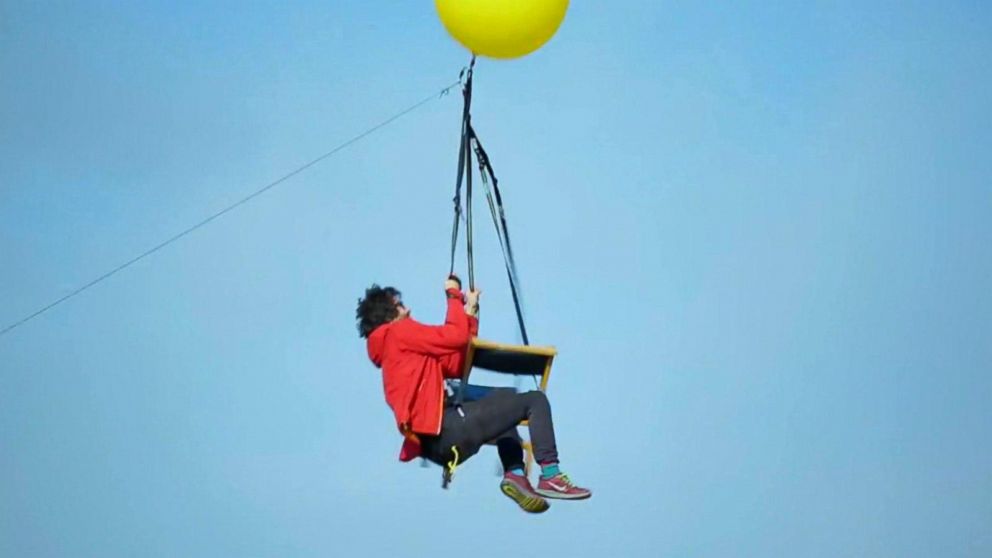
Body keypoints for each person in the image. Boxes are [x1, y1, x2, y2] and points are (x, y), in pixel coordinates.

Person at [356, 275, 591, 513]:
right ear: (389, 314)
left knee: (502, 403)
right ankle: (551, 475)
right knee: (535, 400)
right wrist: (452, 296)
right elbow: (455, 336)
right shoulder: (399, 333)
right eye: (400, 305)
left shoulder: (397, 348)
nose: (408, 309)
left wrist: (469, 312)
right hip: (446, 430)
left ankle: (515, 474)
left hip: (439, 444)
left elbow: (456, 363)